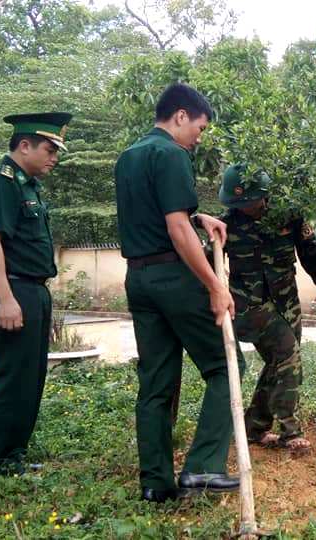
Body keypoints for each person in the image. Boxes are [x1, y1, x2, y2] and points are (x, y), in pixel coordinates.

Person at [114, 83, 239, 503]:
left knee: (156, 382)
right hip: (173, 278)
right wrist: (214, 285)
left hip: (138, 279)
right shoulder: (171, 154)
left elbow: (159, 211)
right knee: (227, 363)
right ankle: (203, 467)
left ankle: (156, 483)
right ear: (181, 116)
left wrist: (197, 214)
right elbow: (176, 229)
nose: (199, 137)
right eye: (200, 127)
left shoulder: (129, 156)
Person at [0, 112, 72, 477]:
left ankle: (13, 457)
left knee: (29, 379)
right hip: (11, 289)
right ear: (24, 145)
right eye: (49, 149)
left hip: (32, 290)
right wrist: (5, 298)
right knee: (11, 379)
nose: (54, 158)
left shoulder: (27, 186)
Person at [217, 163, 316, 452]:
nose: (244, 207)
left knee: (279, 363)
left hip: (286, 303)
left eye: (248, 201)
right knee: (288, 356)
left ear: (263, 195)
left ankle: (255, 426)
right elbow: (206, 261)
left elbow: (313, 250)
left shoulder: (290, 215)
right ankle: (290, 431)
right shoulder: (227, 224)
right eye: (238, 203)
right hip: (250, 308)